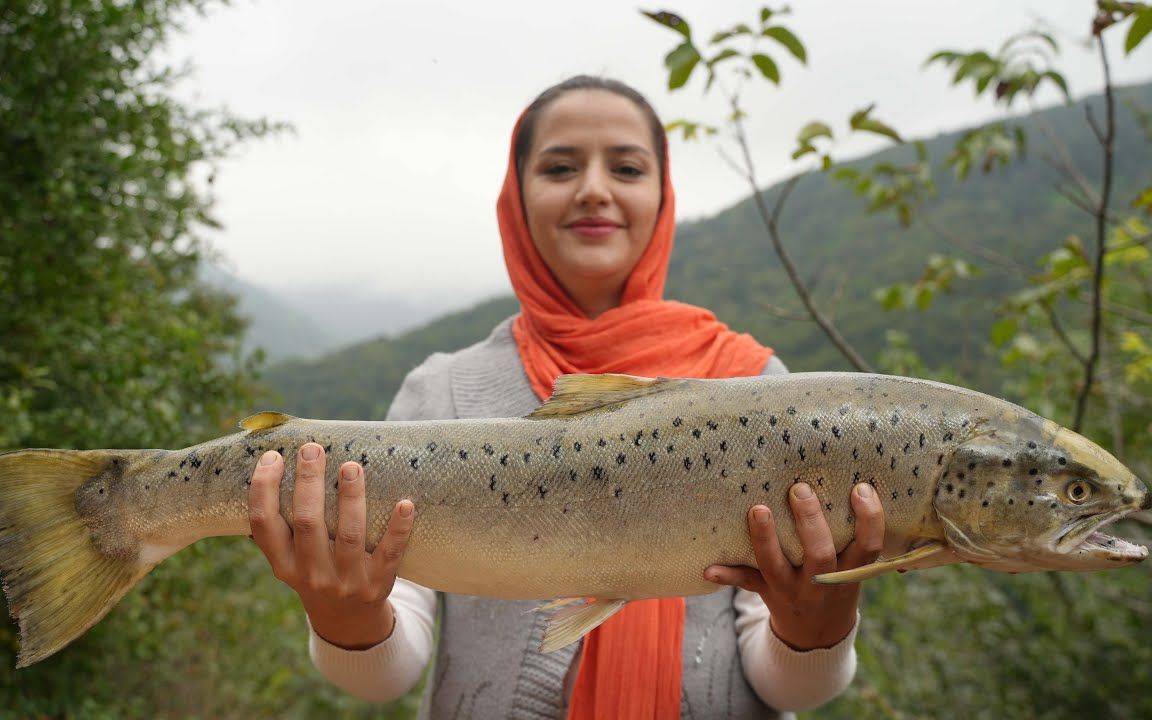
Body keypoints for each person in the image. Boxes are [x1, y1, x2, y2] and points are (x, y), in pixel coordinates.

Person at [248, 75, 885, 720]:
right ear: (515, 196)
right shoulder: (441, 390)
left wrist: (819, 625)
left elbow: (791, 687)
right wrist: (340, 611)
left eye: (628, 167)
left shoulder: (759, 389)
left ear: (664, 195)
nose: (594, 189)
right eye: (560, 166)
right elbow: (386, 675)